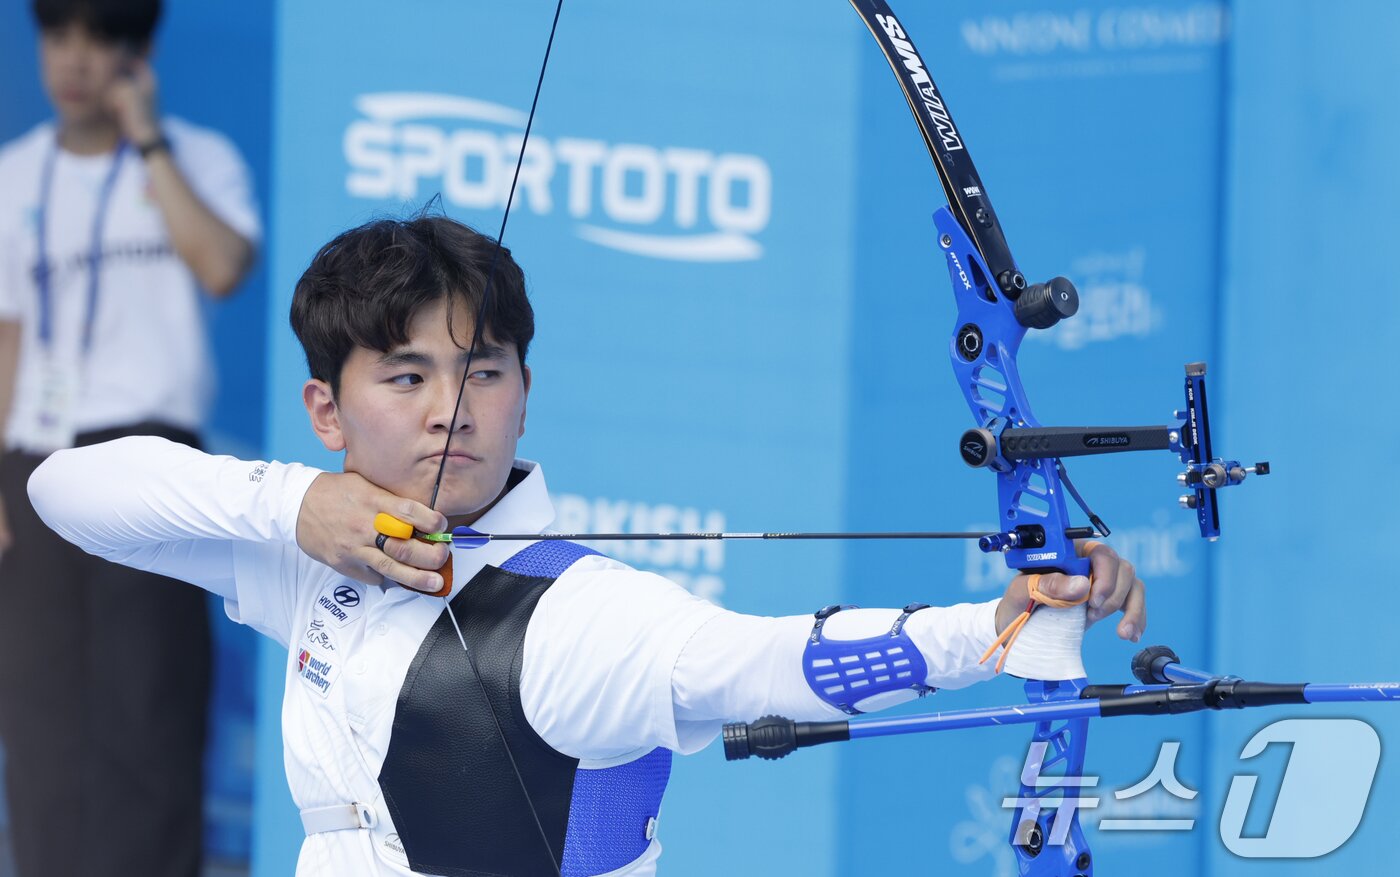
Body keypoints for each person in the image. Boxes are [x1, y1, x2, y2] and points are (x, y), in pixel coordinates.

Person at [27, 215, 1143, 877]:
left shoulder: (582, 618)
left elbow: (765, 662)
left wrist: (989, 628)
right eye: (405, 376)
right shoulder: (313, 549)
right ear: (328, 410)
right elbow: (66, 492)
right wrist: (296, 505)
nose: (449, 410)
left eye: (485, 371)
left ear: (523, 395)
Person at [0, 0, 260, 874]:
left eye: (98, 37)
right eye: (58, 35)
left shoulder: (198, 157)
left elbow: (224, 265)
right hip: (34, 459)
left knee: (149, 705)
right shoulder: (13, 174)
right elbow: (4, 338)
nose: (74, 59)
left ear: (139, 51)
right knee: (39, 716)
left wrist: (148, 143)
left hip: (151, 456)